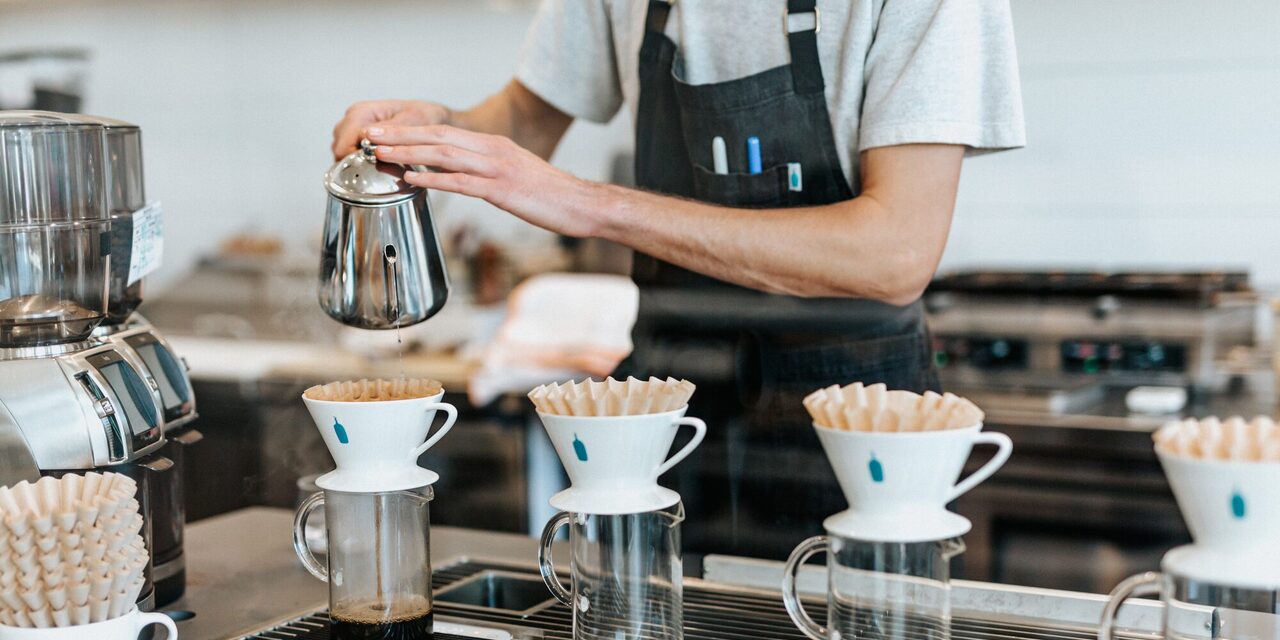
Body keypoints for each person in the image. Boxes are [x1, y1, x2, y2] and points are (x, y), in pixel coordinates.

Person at [332, 0, 1025, 558]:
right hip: (666, 414)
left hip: (857, 426)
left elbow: (895, 256)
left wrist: (591, 206)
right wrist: (440, 127)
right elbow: (526, 118)